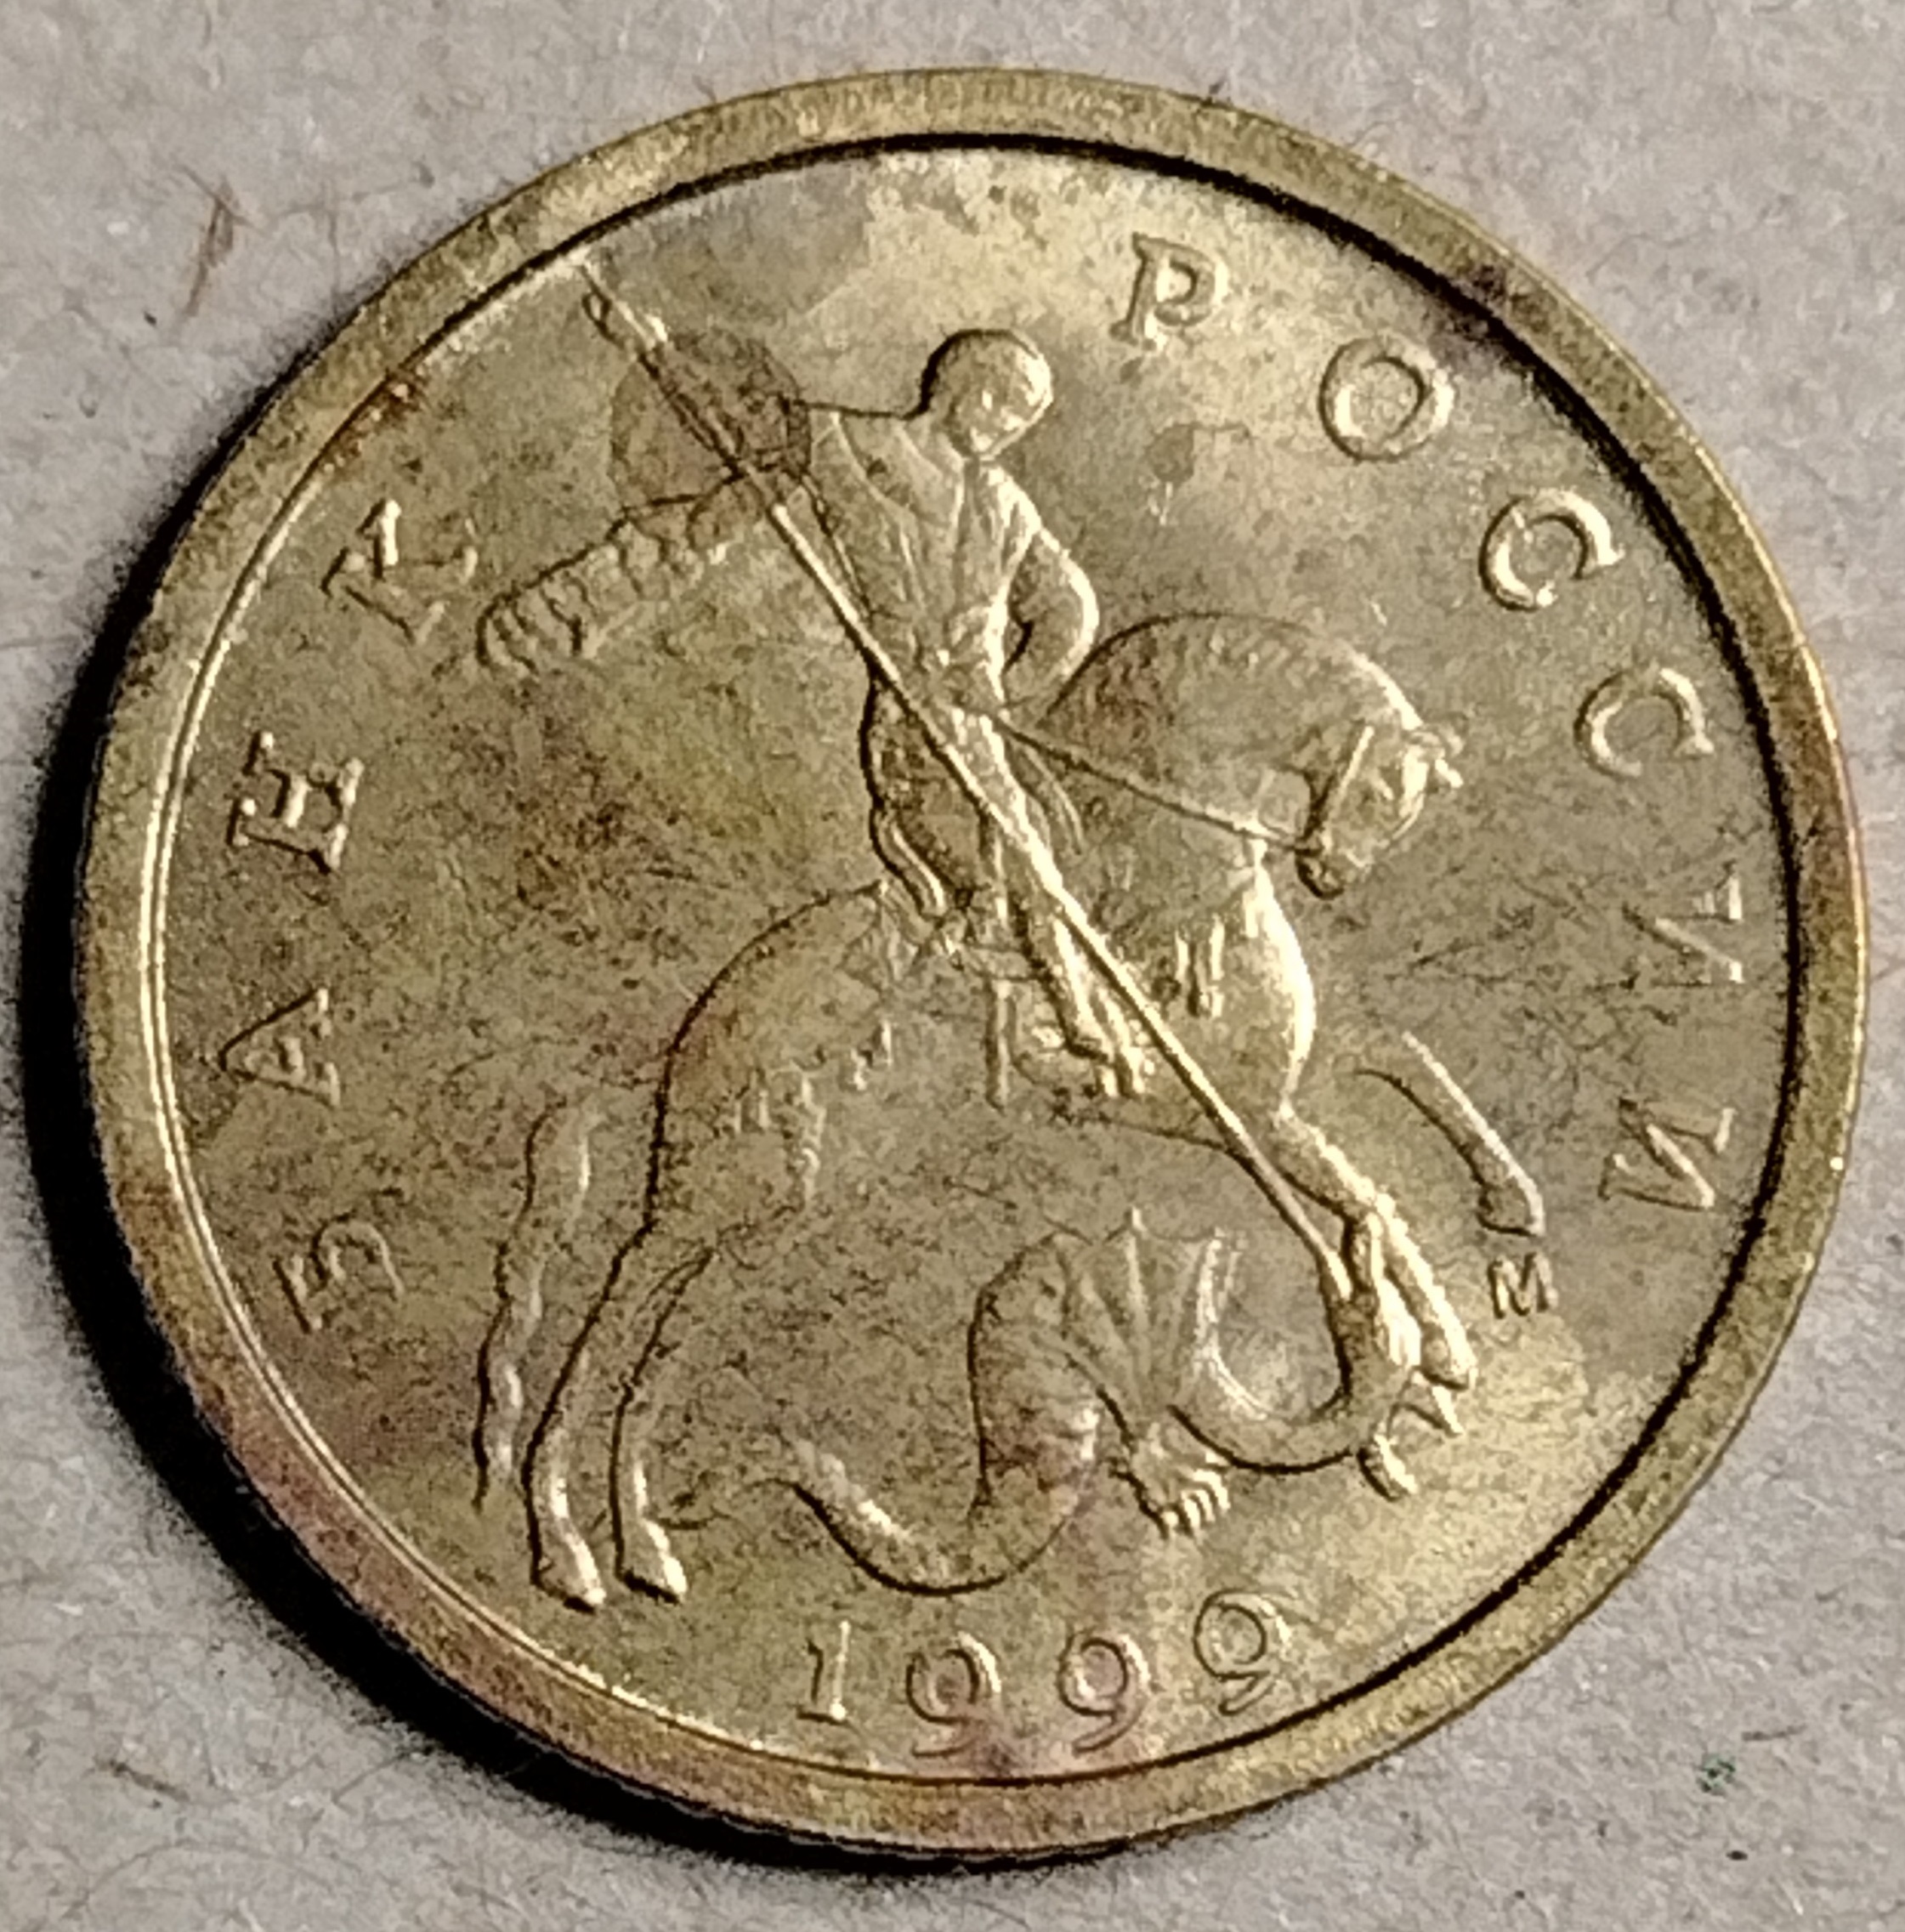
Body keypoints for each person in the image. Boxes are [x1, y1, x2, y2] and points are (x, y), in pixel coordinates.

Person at [482, 316, 1143, 1091]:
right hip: (909, 728)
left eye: (1024, 419)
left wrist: (1010, 685)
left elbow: (1070, 607)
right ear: (962, 386)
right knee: (1017, 857)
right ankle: (1058, 1022)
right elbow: (702, 503)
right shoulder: (838, 445)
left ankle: (1072, 1016)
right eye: (1005, 403)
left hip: (969, 723)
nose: (1008, 427)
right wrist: (649, 349)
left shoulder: (1003, 504)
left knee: (1029, 853)